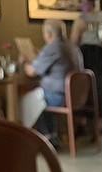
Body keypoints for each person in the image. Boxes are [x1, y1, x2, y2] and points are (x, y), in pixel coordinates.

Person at [25, 19, 83, 148]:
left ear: (49, 34)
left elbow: (32, 71)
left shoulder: (52, 47)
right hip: (77, 96)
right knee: (41, 97)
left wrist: (25, 62)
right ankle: (52, 137)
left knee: (29, 99)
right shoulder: (72, 46)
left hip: (59, 96)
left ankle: (42, 138)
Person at [70, 0, 102, 122]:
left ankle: (99, 127)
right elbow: (73, 42)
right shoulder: (80, 19)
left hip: (101, 56)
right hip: (86, 55)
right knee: (85, 88)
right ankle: (82, 124)